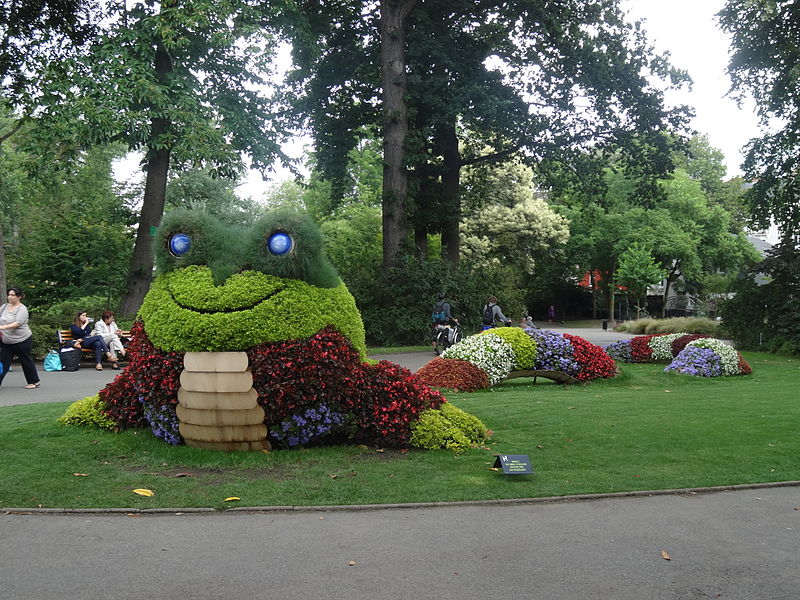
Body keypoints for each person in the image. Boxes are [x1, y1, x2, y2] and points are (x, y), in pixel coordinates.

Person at [0, 287, 41, 389]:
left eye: (12, 295)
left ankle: (34, 381)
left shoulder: (22, 309)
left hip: (22, 340)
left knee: (26, 361)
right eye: (9, 294)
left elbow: (17, 323)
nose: (10, 297)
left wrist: (2, 327)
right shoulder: (4, 307)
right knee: (3, 362)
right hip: (7, 341)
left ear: (19, 297)